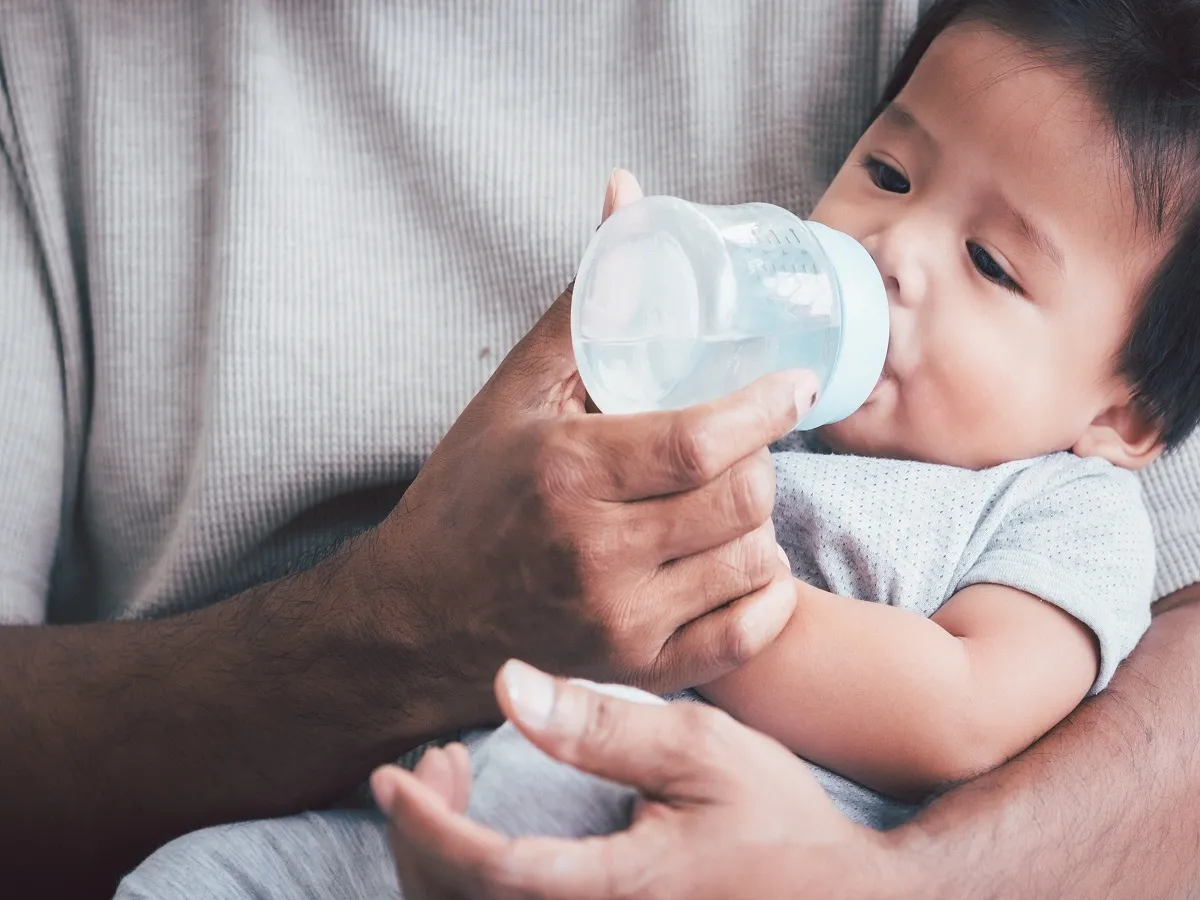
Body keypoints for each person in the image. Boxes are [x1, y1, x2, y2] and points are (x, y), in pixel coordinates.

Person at [0, 1, 1194, 897]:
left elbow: (968, 708)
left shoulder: (1060, 510)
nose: (896, 252)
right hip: (414, 806)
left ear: (1125, 417)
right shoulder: (765, 396)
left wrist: (686, 602)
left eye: (994, 265)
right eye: (887, 172)